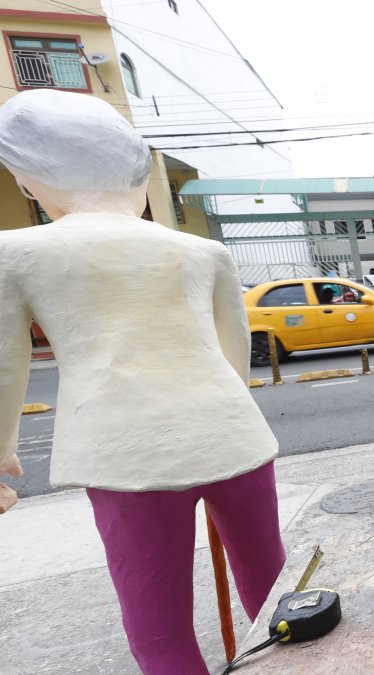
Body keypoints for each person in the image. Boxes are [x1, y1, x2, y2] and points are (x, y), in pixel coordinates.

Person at [0, 90, 284, 673]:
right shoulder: (203, 251)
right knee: (278, 602)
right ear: (137, 172)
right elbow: (237, 363)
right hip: (234, 437)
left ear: (28, 180)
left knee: (161, 636)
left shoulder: (16, 251)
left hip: (125, 455)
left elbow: (7, 365)